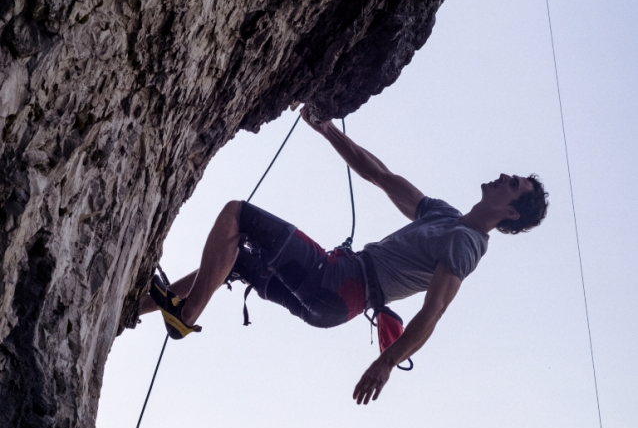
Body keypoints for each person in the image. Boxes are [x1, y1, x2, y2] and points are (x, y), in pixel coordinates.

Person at [141, 108, 548, 405]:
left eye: (513, 185)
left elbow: (434, 310)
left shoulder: (468, 242)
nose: (503, 177)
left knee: (237, 213)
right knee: (237, 259)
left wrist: (387, 362)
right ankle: (136, 308)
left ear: (510, 212)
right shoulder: (444, 216)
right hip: (331, 305)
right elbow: (380, 176)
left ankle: (186, 313)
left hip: (338, 282)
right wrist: (327, 130)